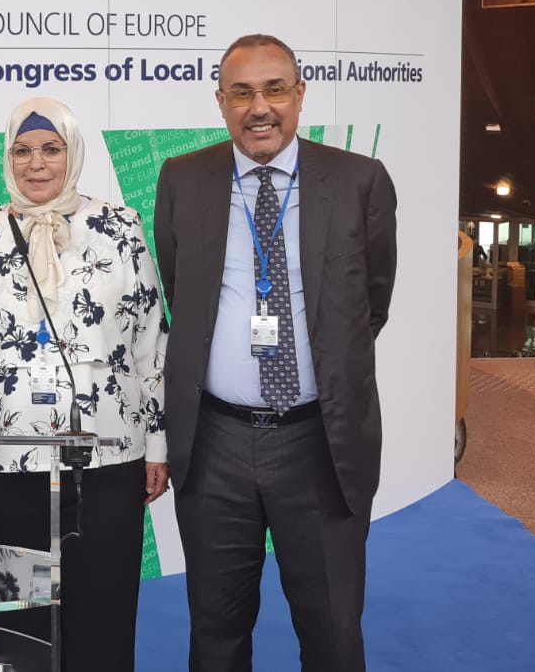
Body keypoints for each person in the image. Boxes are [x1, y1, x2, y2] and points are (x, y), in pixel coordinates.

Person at [154, 34, 397, 672]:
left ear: (299, 95)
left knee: (332, 633)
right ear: (221, 102)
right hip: (215, 444)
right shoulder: (182, 178)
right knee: (215, 631)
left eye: (274, 90)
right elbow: (180, 292)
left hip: (320, 442)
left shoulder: (359, 180)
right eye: (241, 93)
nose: (259, 108)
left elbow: (371, 303)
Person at [0, 97, 168, 672]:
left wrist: (158, 446)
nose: (36, 163)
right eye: (23, 150)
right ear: (7, 157)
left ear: (73, 153)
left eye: (51, 149)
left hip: (108, 461)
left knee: (104, 619)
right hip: (5, 463)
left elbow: (151, 345)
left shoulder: (121, 228)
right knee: (21, 627)